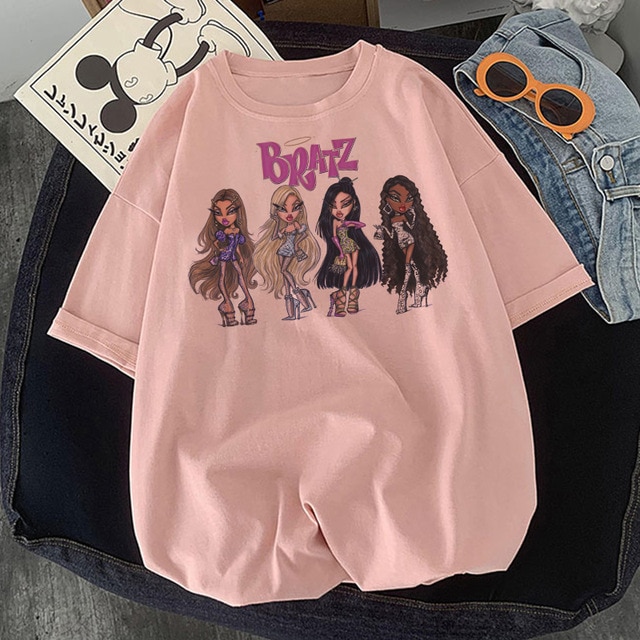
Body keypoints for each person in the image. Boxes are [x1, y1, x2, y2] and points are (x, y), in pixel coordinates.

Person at [374, 175, 448, 313]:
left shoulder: (403, 216)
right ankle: (419, 291)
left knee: (409, 266)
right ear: (386, 199)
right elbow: (391, 235)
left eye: (408, 199)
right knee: (410, 267)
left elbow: (411, 226)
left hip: (409, 240)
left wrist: (412, 216)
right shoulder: (391, 219)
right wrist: (381, 231)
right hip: (401, 242)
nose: (403, 204)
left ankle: (409, 297)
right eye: (396, 198)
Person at [188, 188, 258, 326]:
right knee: (222, 277)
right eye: (218, 213)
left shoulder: (236, 230)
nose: (224, 217)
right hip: (224, 255)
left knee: (240, 274)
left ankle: (248, 300)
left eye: (230, 211)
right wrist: (220, 249)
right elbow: (215, 242)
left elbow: (236, 246)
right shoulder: (224, 232)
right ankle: (227, 302)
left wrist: (240, 256)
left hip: (232, 255)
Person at [315, 177, 381, 317]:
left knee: (354, 267)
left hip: (351, 244)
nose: (338, 210)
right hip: (343, 247)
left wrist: (352, 223)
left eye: (345, 204)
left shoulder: (345, 222)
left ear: (354, 203)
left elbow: (361, 225)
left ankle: (352, 292)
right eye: (333, 205)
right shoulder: (335, 222)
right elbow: (334, 237)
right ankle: (343, 292)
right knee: (349, 267)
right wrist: (340, 251)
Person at [253, 185, 321, 321]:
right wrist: (277, 221)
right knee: (284, 275)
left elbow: (304, 234)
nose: (289, 214)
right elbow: (274, 237)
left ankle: (297, 291)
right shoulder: (284, 227)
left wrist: (296, 244)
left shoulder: (296, 225)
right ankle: (291, 307)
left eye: (295, 208)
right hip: (282, 250)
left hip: (290, 249)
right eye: (283, 209)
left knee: (284, 270)